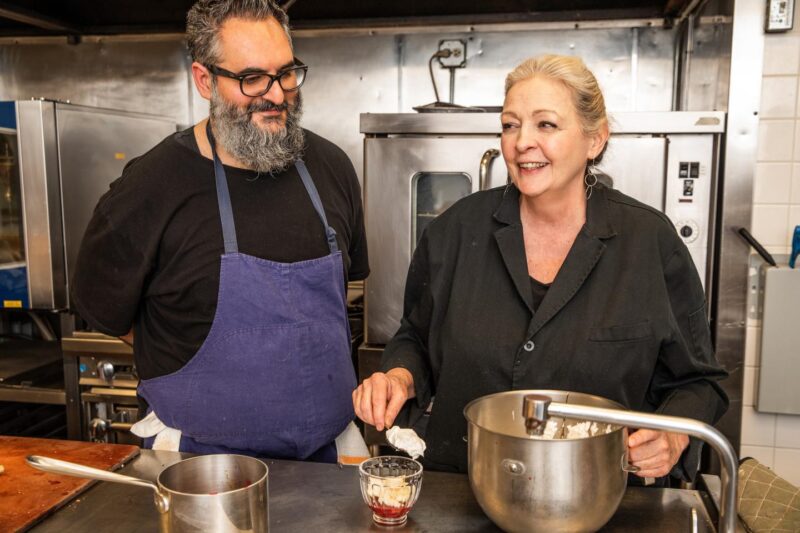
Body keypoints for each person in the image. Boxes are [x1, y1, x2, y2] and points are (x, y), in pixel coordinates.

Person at [354, 54, 728, 482]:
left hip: (601, 499)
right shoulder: (455, 231)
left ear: (595, 140)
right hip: (463, 490)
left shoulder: (649, 243)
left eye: (545, 125)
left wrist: (673, 437)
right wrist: (399, 377)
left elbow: (699, 383)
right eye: (511, 125)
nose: (521, 142)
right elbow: (415, 338)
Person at [71, 0, 369, 463]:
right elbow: (106, 310)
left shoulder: (332, 168)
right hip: (196, 463)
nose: (275, 94)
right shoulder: (151, 187)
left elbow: (344, 289)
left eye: (286, 73)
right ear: (204, 79)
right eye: (252, 78)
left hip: (330, 458)